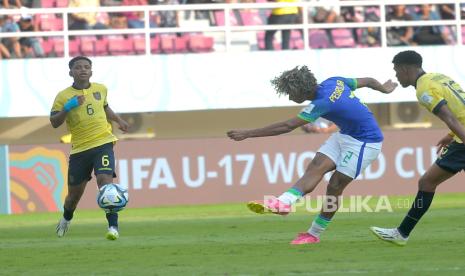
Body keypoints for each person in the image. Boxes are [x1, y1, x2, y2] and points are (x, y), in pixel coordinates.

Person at [227, 66, 398, 244]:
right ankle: (284, 202)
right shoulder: (334, 81)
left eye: (290, 93)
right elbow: (369, 81)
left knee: (335, 185)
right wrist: (384, 89)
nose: (290, 97)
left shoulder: (322, 103)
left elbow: (286, 126)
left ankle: (314, 233)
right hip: (345, 135)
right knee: (316, 167)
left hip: (366, 142)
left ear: (300, 91)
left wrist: (248, 133)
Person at [370, 50, 465, 246]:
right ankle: (402, 232)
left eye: (396, 71)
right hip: (459, 136)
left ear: (405, 69)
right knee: (427, 182)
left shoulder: (423, 89)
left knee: (427, 183)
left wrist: (458, 135)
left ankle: (402, 233)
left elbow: (450, 118)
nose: (396, 75)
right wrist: (450, 135)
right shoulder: (437, 77)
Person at [50, 56, 129, 240]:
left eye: (86, 67)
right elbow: (54, 122)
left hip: (103, 143)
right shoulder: (63, 96)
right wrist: (69, 107)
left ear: (91, 71)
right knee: (73, 198)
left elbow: (105, 107)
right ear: (71, 72)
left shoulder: (101, 89)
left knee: (105, 184)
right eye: (78, 67)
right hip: (80, 150)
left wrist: (118, 120)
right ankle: (66, 218)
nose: (83, 70)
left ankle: (113, 228)